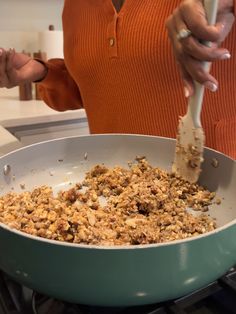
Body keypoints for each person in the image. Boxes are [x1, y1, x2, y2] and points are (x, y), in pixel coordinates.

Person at [0, 0, 235, 158]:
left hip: (218, 181)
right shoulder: (75, 6)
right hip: (119, 188)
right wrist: (42, 73)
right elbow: (98, 88)